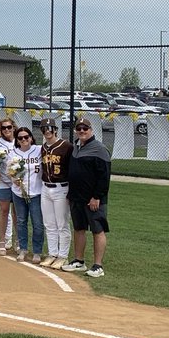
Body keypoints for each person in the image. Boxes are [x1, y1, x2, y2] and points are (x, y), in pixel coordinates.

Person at [62, 119, 112, 278]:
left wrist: (97, 196)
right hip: (77, 197)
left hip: (93, 199)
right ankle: (79, 260)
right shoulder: (75, 147)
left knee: (98, 230)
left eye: (85, 128)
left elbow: (104, 177)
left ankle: (98, 266)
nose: (82, 131)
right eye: (79, 128)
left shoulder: (99, 149)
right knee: (79, 228)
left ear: (91, 129)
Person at [6, 126, 44, 262]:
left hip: (36, 192)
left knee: (37, 223)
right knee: (21, 221)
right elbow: (9, 170)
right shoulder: (13, 153)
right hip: (18, 193)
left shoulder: (39, 150)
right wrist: (14, 178)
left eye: (26, 137)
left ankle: (37, 251)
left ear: (31, 138)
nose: (23, 139)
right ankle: (23, 249)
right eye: (20, 137)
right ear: (17, 139)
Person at [39, 119, 73, 268]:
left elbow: (72, 169)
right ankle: (52, 253)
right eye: (44, 129)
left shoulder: (66, 146)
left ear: (55, 129)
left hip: (62, 187)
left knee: (62, 224)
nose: (47, 131)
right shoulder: (43, 148)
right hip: (45, 187)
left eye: (49, 128)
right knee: (49, 223)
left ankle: (63, 255)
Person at [0, 117, 18, 251]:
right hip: (4, 182)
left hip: (18, 183)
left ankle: (18, 241)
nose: (6, 130)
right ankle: (3, 241)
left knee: (18, 213)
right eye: (3, 128)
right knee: (4, 211)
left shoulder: (20, 141)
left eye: (9, 127)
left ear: (13, 128)